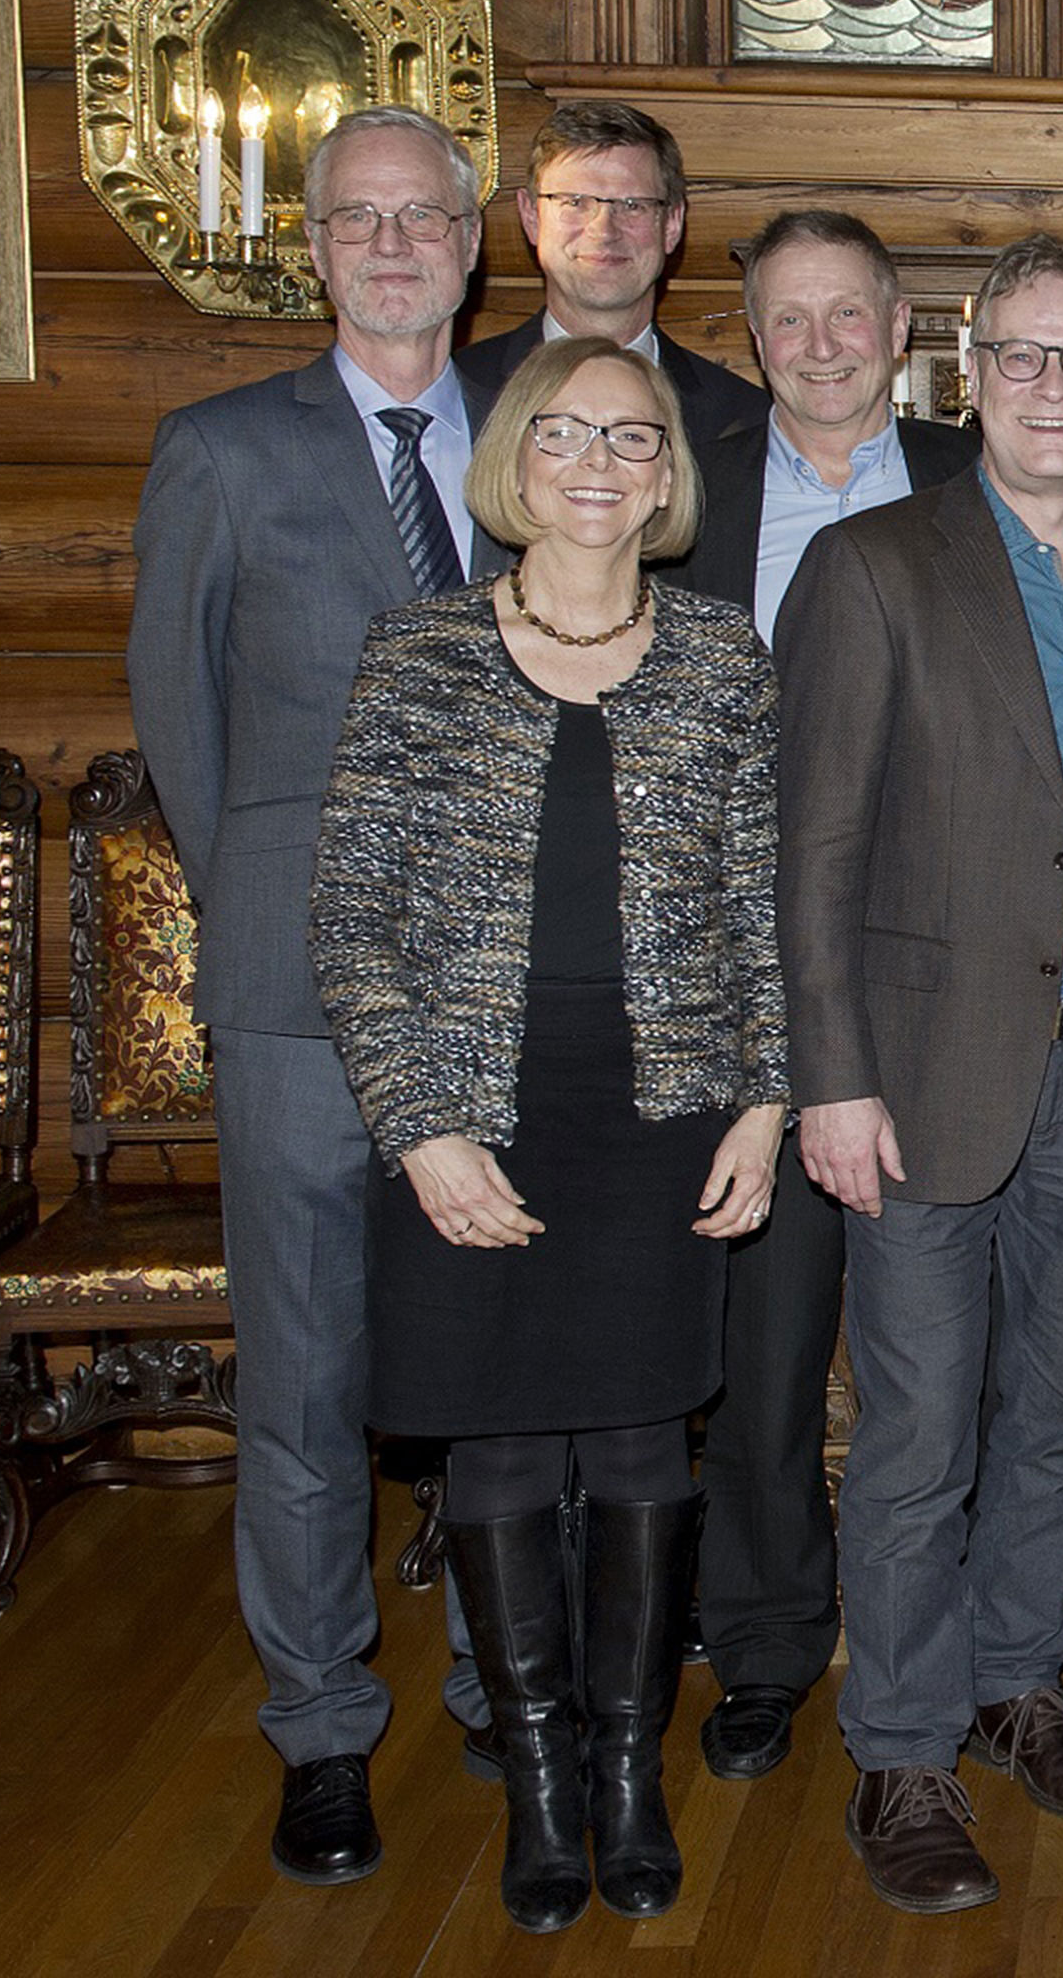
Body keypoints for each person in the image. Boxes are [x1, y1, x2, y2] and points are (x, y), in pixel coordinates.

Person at [311, 337, 785, 1933]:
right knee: (503, 1443)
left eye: (633, 439)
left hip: (660, 1112)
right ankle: (537, 1785)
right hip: (478, 1115)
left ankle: (629, 1776)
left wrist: (771, 1100)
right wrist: (421, 1127)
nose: (600, 463)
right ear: (515, 458)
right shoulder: (420, 653)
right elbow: (353, 918)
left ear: (668, 474)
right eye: (567, 434)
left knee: (649, 1438)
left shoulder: (724, 659)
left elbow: (763, 909)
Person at [774, 232, 1063, 1917]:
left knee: (1062, 1412)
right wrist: (830, 1080)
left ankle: (1019, 1680)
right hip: (923, 1073)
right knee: (917, 1428)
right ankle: (898, 1749)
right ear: (964, 371)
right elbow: (810, 851)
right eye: (1020, 358)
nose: (1052, 387)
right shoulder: (874, 568)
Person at [126, 102, 496, 1889]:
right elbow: (183, 729)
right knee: (305, 1376)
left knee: (504, 1356)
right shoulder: (217, 450)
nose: (396, 242)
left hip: (507, 987)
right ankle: (325, 1728)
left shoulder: (544, 432)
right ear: (318, 246)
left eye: (425, 214)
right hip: (292, 995)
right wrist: (275, 905)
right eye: (362, 218)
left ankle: (510, 1682)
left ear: (474, 236)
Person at [665, 207, 979, 1786]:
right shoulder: (685, 492)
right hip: (750, 983)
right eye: (787, 320)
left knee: (946, 1352)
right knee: (768, 1339)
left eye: (848, 314)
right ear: (750, 337)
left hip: (948, 984)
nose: (820, 345)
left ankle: (976, 1651)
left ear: (901, 321)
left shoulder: (989, 475)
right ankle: (770, 1641)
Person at [454, 100, 767, 445]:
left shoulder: (744, 418)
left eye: (632, 205)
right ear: (531, 218)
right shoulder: (460, 390)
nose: (603, 231)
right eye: (575, 202)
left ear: (672, 225)